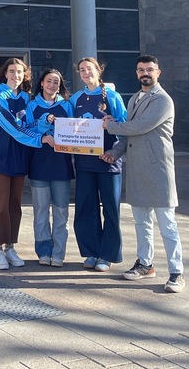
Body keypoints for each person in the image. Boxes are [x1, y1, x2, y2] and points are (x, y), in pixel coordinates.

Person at [101, 54, 185, 293]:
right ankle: (145, 264)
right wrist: (114, 153)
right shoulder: (136, 98)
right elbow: (129, 136)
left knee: (167, 225)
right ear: (136, 73)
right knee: (141, 222)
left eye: (149, 69)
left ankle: (177, 272)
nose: (144, 73)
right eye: (140, 70)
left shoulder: (162, 100)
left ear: (158, 72)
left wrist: (110, 126)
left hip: (158, 170)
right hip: (137, 171)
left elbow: (140, 127)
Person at [0, 58, 46, 270]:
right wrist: (39, 139)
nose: (16, 75)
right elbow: (11, 126)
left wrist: (45, 123)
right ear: (5, 73)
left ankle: (10, 246)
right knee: (1, 204)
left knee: (15, 205)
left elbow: (29, 123)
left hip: (20, 155)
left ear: (25, 75)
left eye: (19, 72)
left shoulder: (25, 97)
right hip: (1, 156)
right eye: (12, 71)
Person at [70, 57, 127, 272]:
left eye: (89, 69)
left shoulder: (112, 96)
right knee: (86, 208)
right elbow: (68, 125)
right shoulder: (76, 98)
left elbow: (124, 126)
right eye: (82, 70)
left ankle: (108, 254)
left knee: (111, 209)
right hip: (84, 162)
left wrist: (114, 152)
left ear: (98, 70)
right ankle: (91, 252)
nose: (86, 73)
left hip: (108, 162)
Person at [23, 69, 73, 266]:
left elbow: (75, 129)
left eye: (56, 82)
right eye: (49, 81)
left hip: (61, 166)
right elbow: (25, 129)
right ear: (41, 83)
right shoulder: (32, 106)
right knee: (41, 211)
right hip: (39, 165)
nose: (52, 85)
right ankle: (44, 251)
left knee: (61, 211)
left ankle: (59, 253)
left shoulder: (66, 106)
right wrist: (42, 126)